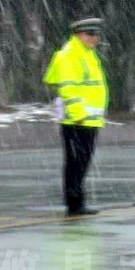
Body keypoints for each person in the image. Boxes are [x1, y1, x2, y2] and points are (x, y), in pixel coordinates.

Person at [43, 17, 109, 217]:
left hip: (89, 120)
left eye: (96, 34)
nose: (95, 38)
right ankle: (74, 202)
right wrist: (79, 114)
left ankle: (77, 200)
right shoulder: (70, 55)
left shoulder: (86, 53)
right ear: (79, 34)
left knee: (82, 161)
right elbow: (69, 88)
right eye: (90, 34)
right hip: (77, 120)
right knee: (76, 162)